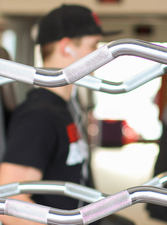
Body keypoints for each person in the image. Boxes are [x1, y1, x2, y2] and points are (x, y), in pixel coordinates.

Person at [0, 4, 106, 225]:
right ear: (67, 47)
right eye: (93, 46)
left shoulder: (65, 107)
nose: (99, 55)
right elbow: (8, 204)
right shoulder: (38, 117)